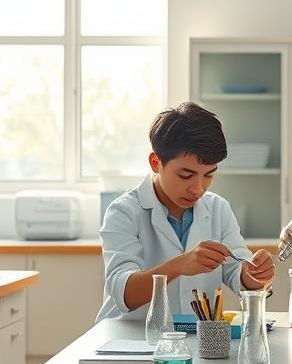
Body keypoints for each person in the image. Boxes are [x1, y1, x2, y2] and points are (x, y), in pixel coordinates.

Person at [98, 103, 276, 321]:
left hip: (195, 341)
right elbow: (124, 293)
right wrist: (180, 265)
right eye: (185, 175)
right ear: (156, 163)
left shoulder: (218, 209)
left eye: (209, 175)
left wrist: (255, 276)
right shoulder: (123, 212)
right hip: (126, 340)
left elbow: (239, 275)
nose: (198, 189)